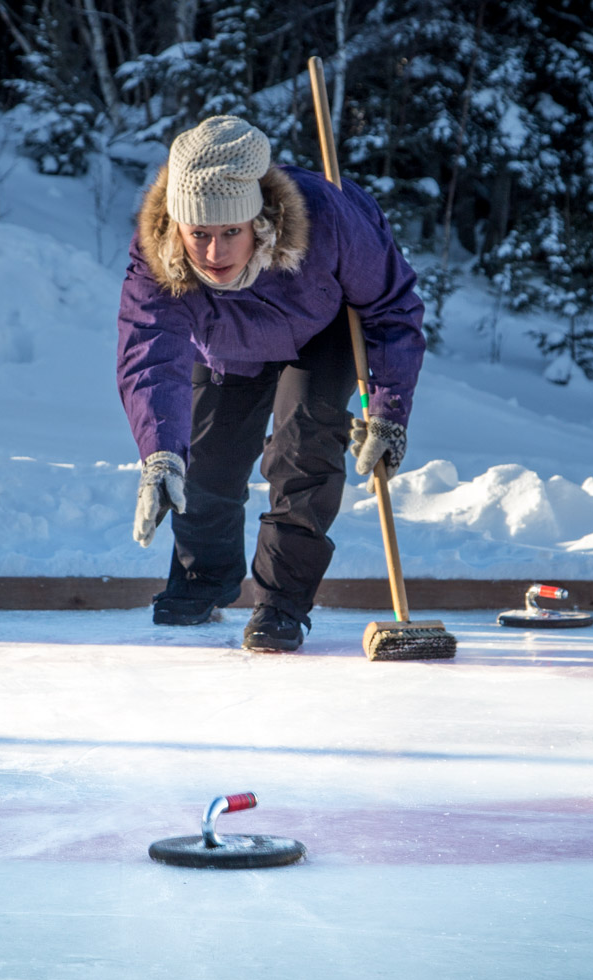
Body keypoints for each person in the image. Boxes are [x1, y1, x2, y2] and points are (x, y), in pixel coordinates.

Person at [116, 115, 426, 651]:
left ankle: (282, 601)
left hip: (321, 332)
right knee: (208, 456)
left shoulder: (328, 216)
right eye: (200, 236)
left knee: (304, 447)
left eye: (231, 233)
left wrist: (389, 410)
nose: (214, 255)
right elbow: (149, 351)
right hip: (223, 346)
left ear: (258, 220)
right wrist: (161, 454)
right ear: (177, 225)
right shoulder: (158, 252)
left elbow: (392, 307)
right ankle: (203, 577)